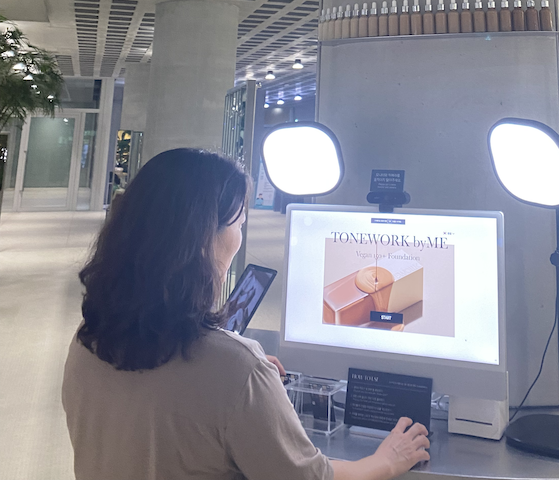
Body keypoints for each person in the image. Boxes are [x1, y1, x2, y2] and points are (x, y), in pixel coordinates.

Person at [62, 148, 429, 480]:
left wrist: (247, 384)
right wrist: (387, 460)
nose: (239, 238)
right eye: (238, 226)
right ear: (203, 240)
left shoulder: (86, 339)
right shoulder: (234, 368)